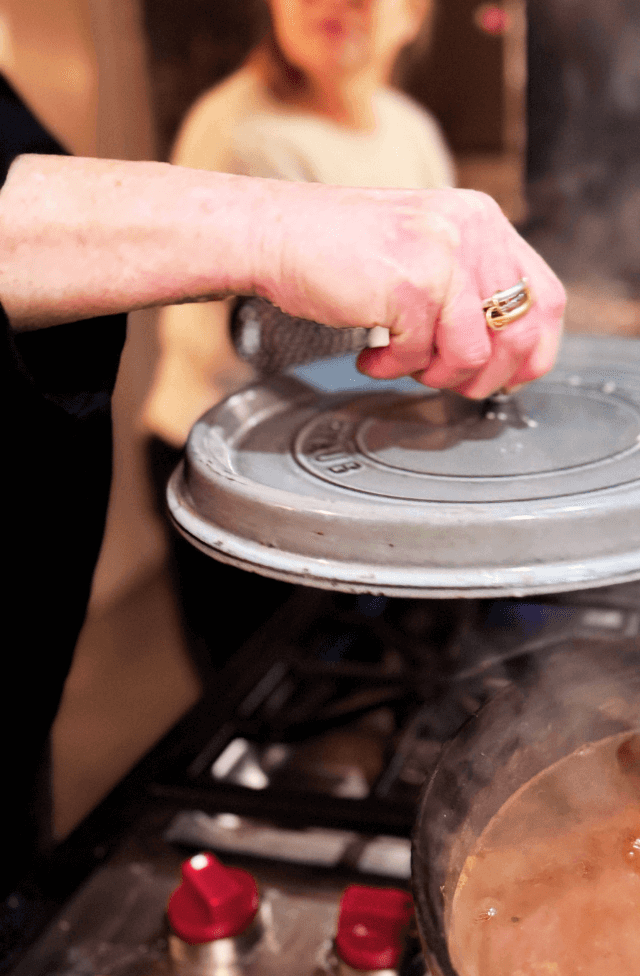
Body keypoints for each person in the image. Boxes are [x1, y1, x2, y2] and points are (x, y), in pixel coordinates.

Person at [0, 76, 564, 894]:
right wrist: (276, 231)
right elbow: (273, 337)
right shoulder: (231, 123)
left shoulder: (405, 120)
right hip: (242, 467)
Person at [143, 0, 453, 448]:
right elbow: (319, 343)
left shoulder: (411, 129)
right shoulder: (244, 133)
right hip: (229, 447)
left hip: (331, 433)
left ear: (413, 8)